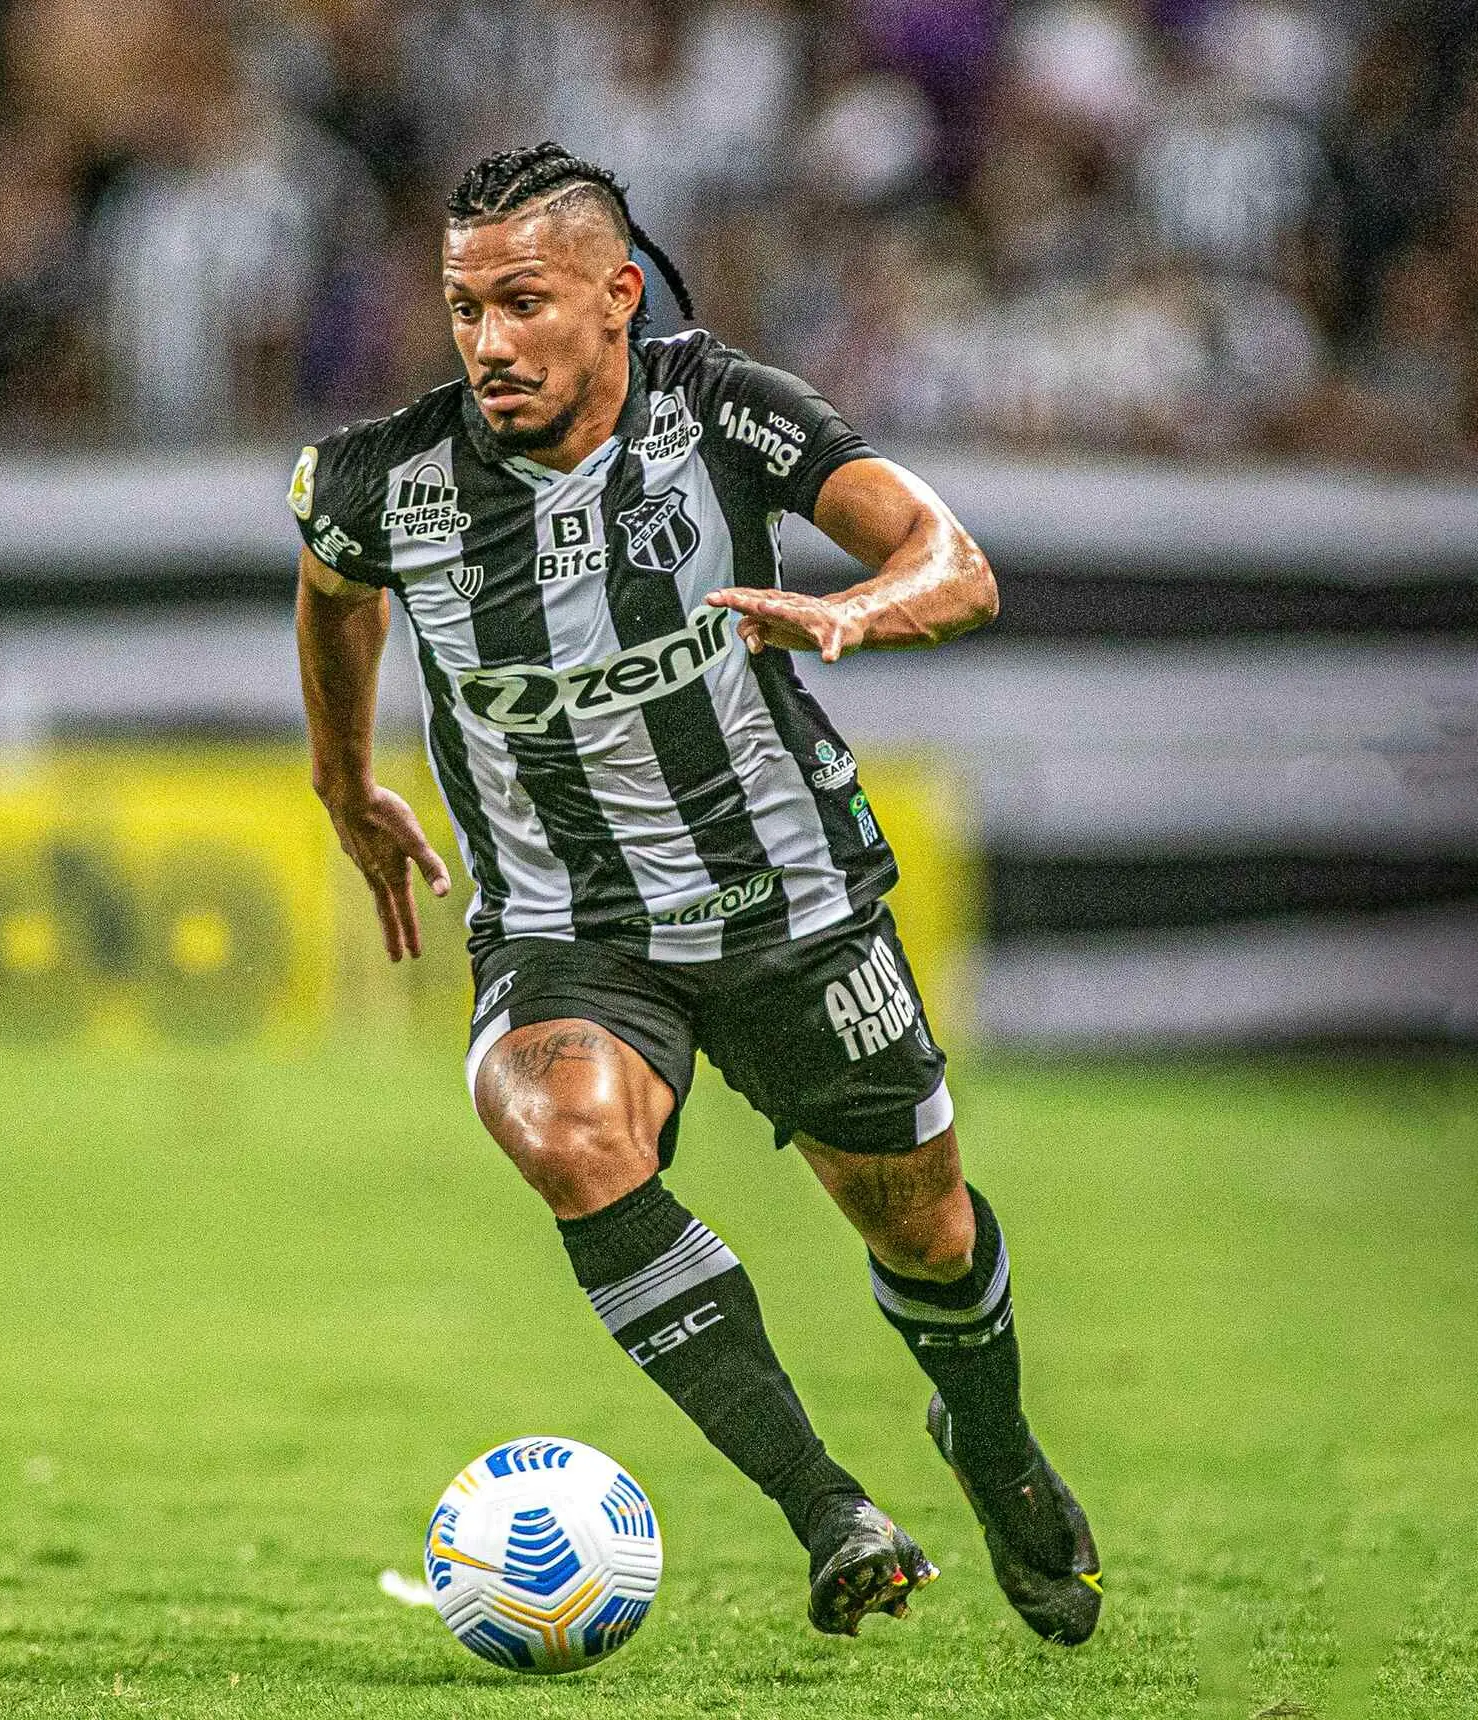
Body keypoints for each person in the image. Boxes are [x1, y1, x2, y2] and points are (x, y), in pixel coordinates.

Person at [292, 141, 1100, 1643]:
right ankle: (826, 1508)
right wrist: (343, 784)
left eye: (522, 305)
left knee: (920, 1234)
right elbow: (333, 589)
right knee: (564, 1129)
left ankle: (990, 1445)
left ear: (616, 297)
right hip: (566, 926)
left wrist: (855, 610)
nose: (487, 344)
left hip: (789, 900)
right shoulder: (381, 480)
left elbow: (956, 562)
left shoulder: (725, 409)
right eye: (464, 309)